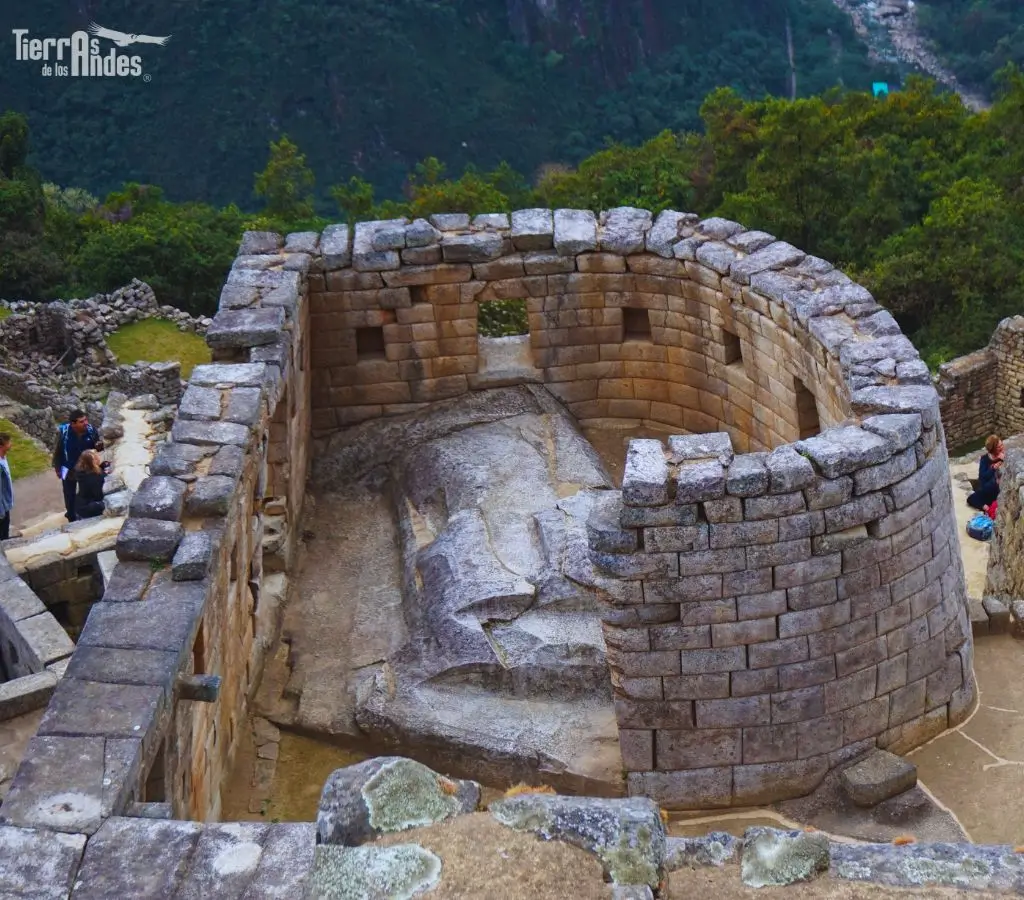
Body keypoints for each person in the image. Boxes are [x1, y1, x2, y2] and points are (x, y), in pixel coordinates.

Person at [52, 410, 103, 522]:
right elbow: (57, 451)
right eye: (81, 421)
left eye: (85, 420)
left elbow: (97, 447)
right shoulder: (63, 432)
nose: (85, 423)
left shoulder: (91, 430)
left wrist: (99, 445)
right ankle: (71, 516)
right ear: (73, 424)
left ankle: (86, 515)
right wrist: (57, 468)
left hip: (86, 470)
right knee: (68, 493)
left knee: (87, 493)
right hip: (68, 469)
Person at [967, 434, 1004, 512]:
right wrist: (993, 468)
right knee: (971, 498)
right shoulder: (984, 459)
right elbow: (982, 477)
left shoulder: (1004, 457)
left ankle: (988, 506)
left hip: (998, 489)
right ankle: (986, 507)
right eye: (998, 447)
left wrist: (1003, 459)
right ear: (992, 449)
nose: (1002, 448)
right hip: (987, 489)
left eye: (1002, 445)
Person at [73, 450, 108, 520]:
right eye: (95, 458)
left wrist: (102, 466)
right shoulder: (94, 478)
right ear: (92, 462)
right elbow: (99, 495)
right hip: (88, 510)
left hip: (80, 506)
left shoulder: (82, 472)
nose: (98, 457)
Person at [0, 432, 13, 541]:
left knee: (5, 531)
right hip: (1, 507)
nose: (11, 444)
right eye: (8, 442)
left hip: (5, 504)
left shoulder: (4, 457)